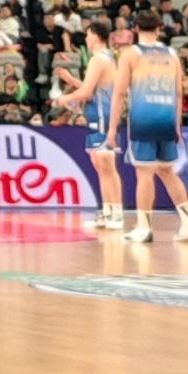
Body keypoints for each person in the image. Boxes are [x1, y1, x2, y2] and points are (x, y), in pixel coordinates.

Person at [113, 17, 188, 247]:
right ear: (159, 29)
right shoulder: (172, 54)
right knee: (167, 171)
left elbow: (120, 93)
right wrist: (177, 125)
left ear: (136, 29)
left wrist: (112, 128)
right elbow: (179, 93)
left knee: (145, 172)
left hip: (143, 118)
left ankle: (144, 227)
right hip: (167, 117)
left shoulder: (130, 53)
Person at [63, 20, 128, 239]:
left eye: (88, 34)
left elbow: (85, 93)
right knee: (100, 165)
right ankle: (108, 212)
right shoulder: (106, 57)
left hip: (103, 116)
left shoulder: (99, 58)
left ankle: (116, 214)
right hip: (98, 114)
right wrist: (72, 80)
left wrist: (63, 99)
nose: (86, 38)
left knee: (107, 166)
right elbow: (90, 90)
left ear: (96, 36)